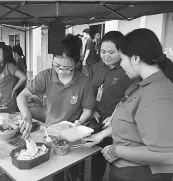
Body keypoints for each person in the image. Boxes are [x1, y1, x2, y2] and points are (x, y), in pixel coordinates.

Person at [85, 28, 173, 181]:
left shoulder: (158, 95)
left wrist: (117, 150)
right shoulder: (140, 86)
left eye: (123, 58)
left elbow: (166, 155)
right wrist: (101, 135)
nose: (122, 64)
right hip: (125, 170)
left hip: (141, 174)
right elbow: (129, 121)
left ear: (136, 59)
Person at [17, 34, 94, 181]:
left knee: (75, 174)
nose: (60, 71)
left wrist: (79, 122)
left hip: (74, 137)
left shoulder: (84, 82)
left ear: (76, 63)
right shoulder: (46, 76)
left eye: (67, 67)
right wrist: (26, 116)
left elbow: (88, 109)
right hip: (51, 134)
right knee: (56, 172)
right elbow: (22, 96)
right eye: (57, 65)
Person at [85, 31, 135, 181]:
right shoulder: (96, 67)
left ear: (122, 51)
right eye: (103, 52)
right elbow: (89, 91)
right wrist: (91, 108)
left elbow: (130, 99)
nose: (106, 56)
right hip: (96, 120)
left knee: (115, 159)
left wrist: (115, 118)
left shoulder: (129, 71)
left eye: (111, 52)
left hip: (116, 123)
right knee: (97, 156)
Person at [0, 43, 27, 113]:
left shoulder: (9, 66)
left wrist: (15, 89)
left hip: (7, 103)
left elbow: (23, 77)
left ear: (5, 55)